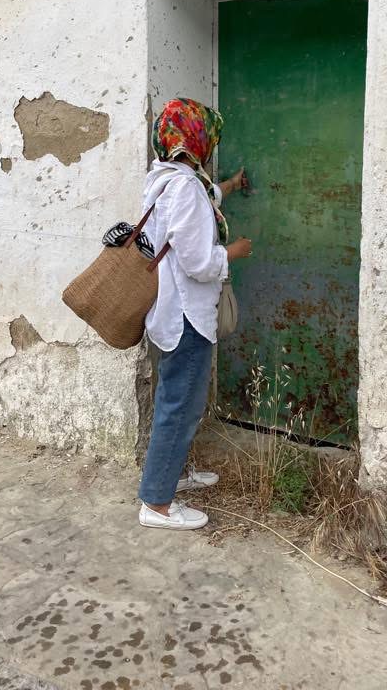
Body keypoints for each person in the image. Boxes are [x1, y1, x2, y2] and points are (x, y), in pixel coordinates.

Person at [137, 97, 252, 531]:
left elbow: (205, 198)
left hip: (175, 308)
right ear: (196, 138)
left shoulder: (168, 179)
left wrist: (231, 185)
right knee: (179, 403)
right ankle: (157, 504)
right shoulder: (184, 187)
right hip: (186, 313)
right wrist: (232, 252)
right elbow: (197, 261)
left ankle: (174, 475)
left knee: (181, 402)